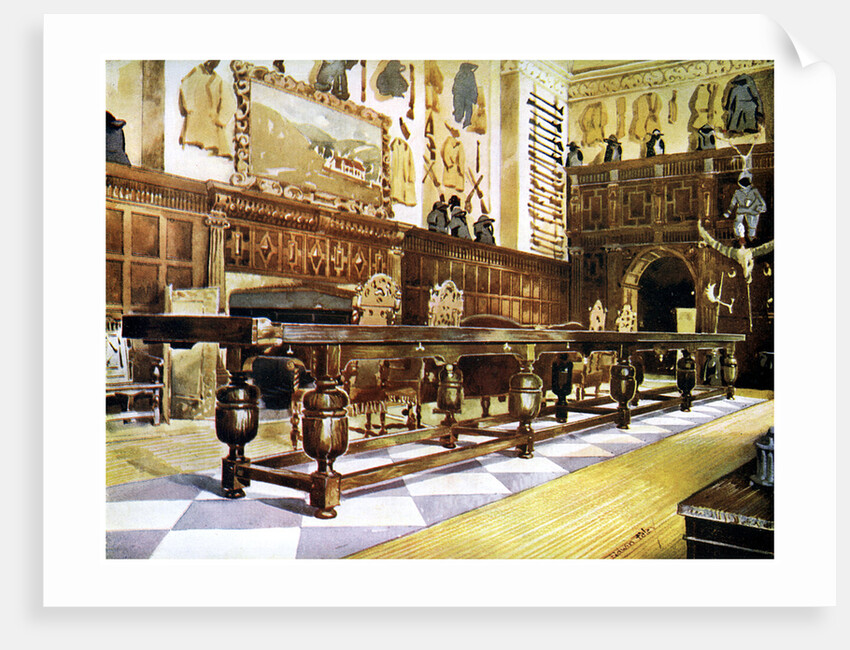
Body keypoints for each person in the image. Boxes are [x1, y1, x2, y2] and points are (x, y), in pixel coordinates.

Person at [723, 170, 766, 247]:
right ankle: (741, 237)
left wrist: (762, 207)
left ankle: (752, 238)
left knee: (752, 225)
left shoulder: (754, 191)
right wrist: (729, 211)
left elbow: (762, 202)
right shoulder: (738, 192)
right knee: (738, 223)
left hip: (753, 211)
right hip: (742, 210)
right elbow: (733, 203)